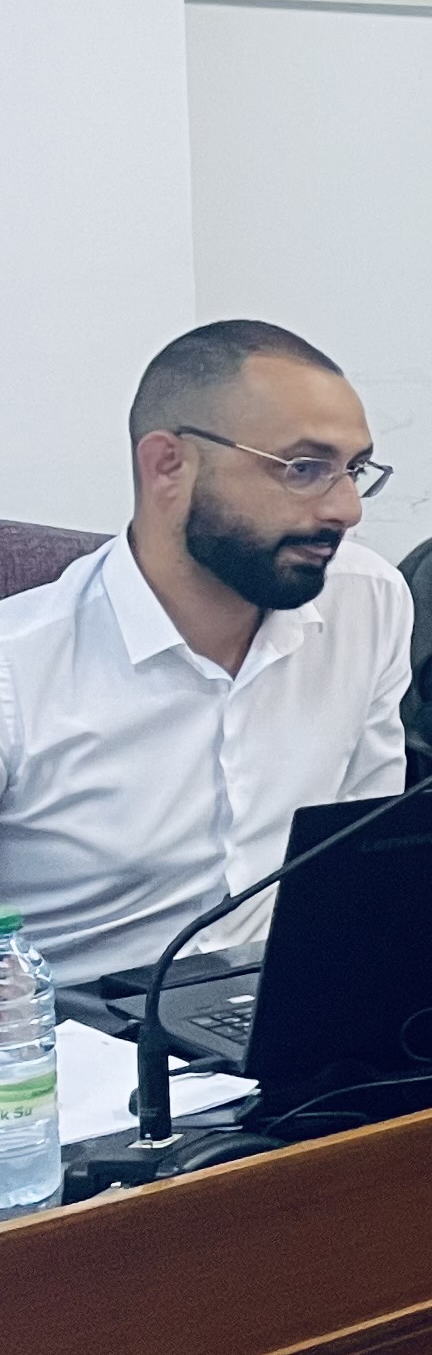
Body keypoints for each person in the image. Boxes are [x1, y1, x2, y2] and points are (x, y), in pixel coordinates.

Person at [0, 322, 409, 983]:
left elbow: (365, 857)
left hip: (282, 1002)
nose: (347, 508)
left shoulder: (367, 601)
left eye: (355, 469)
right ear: (169, 465)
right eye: (304, 469)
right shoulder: (17, 673)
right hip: (77, 1030)